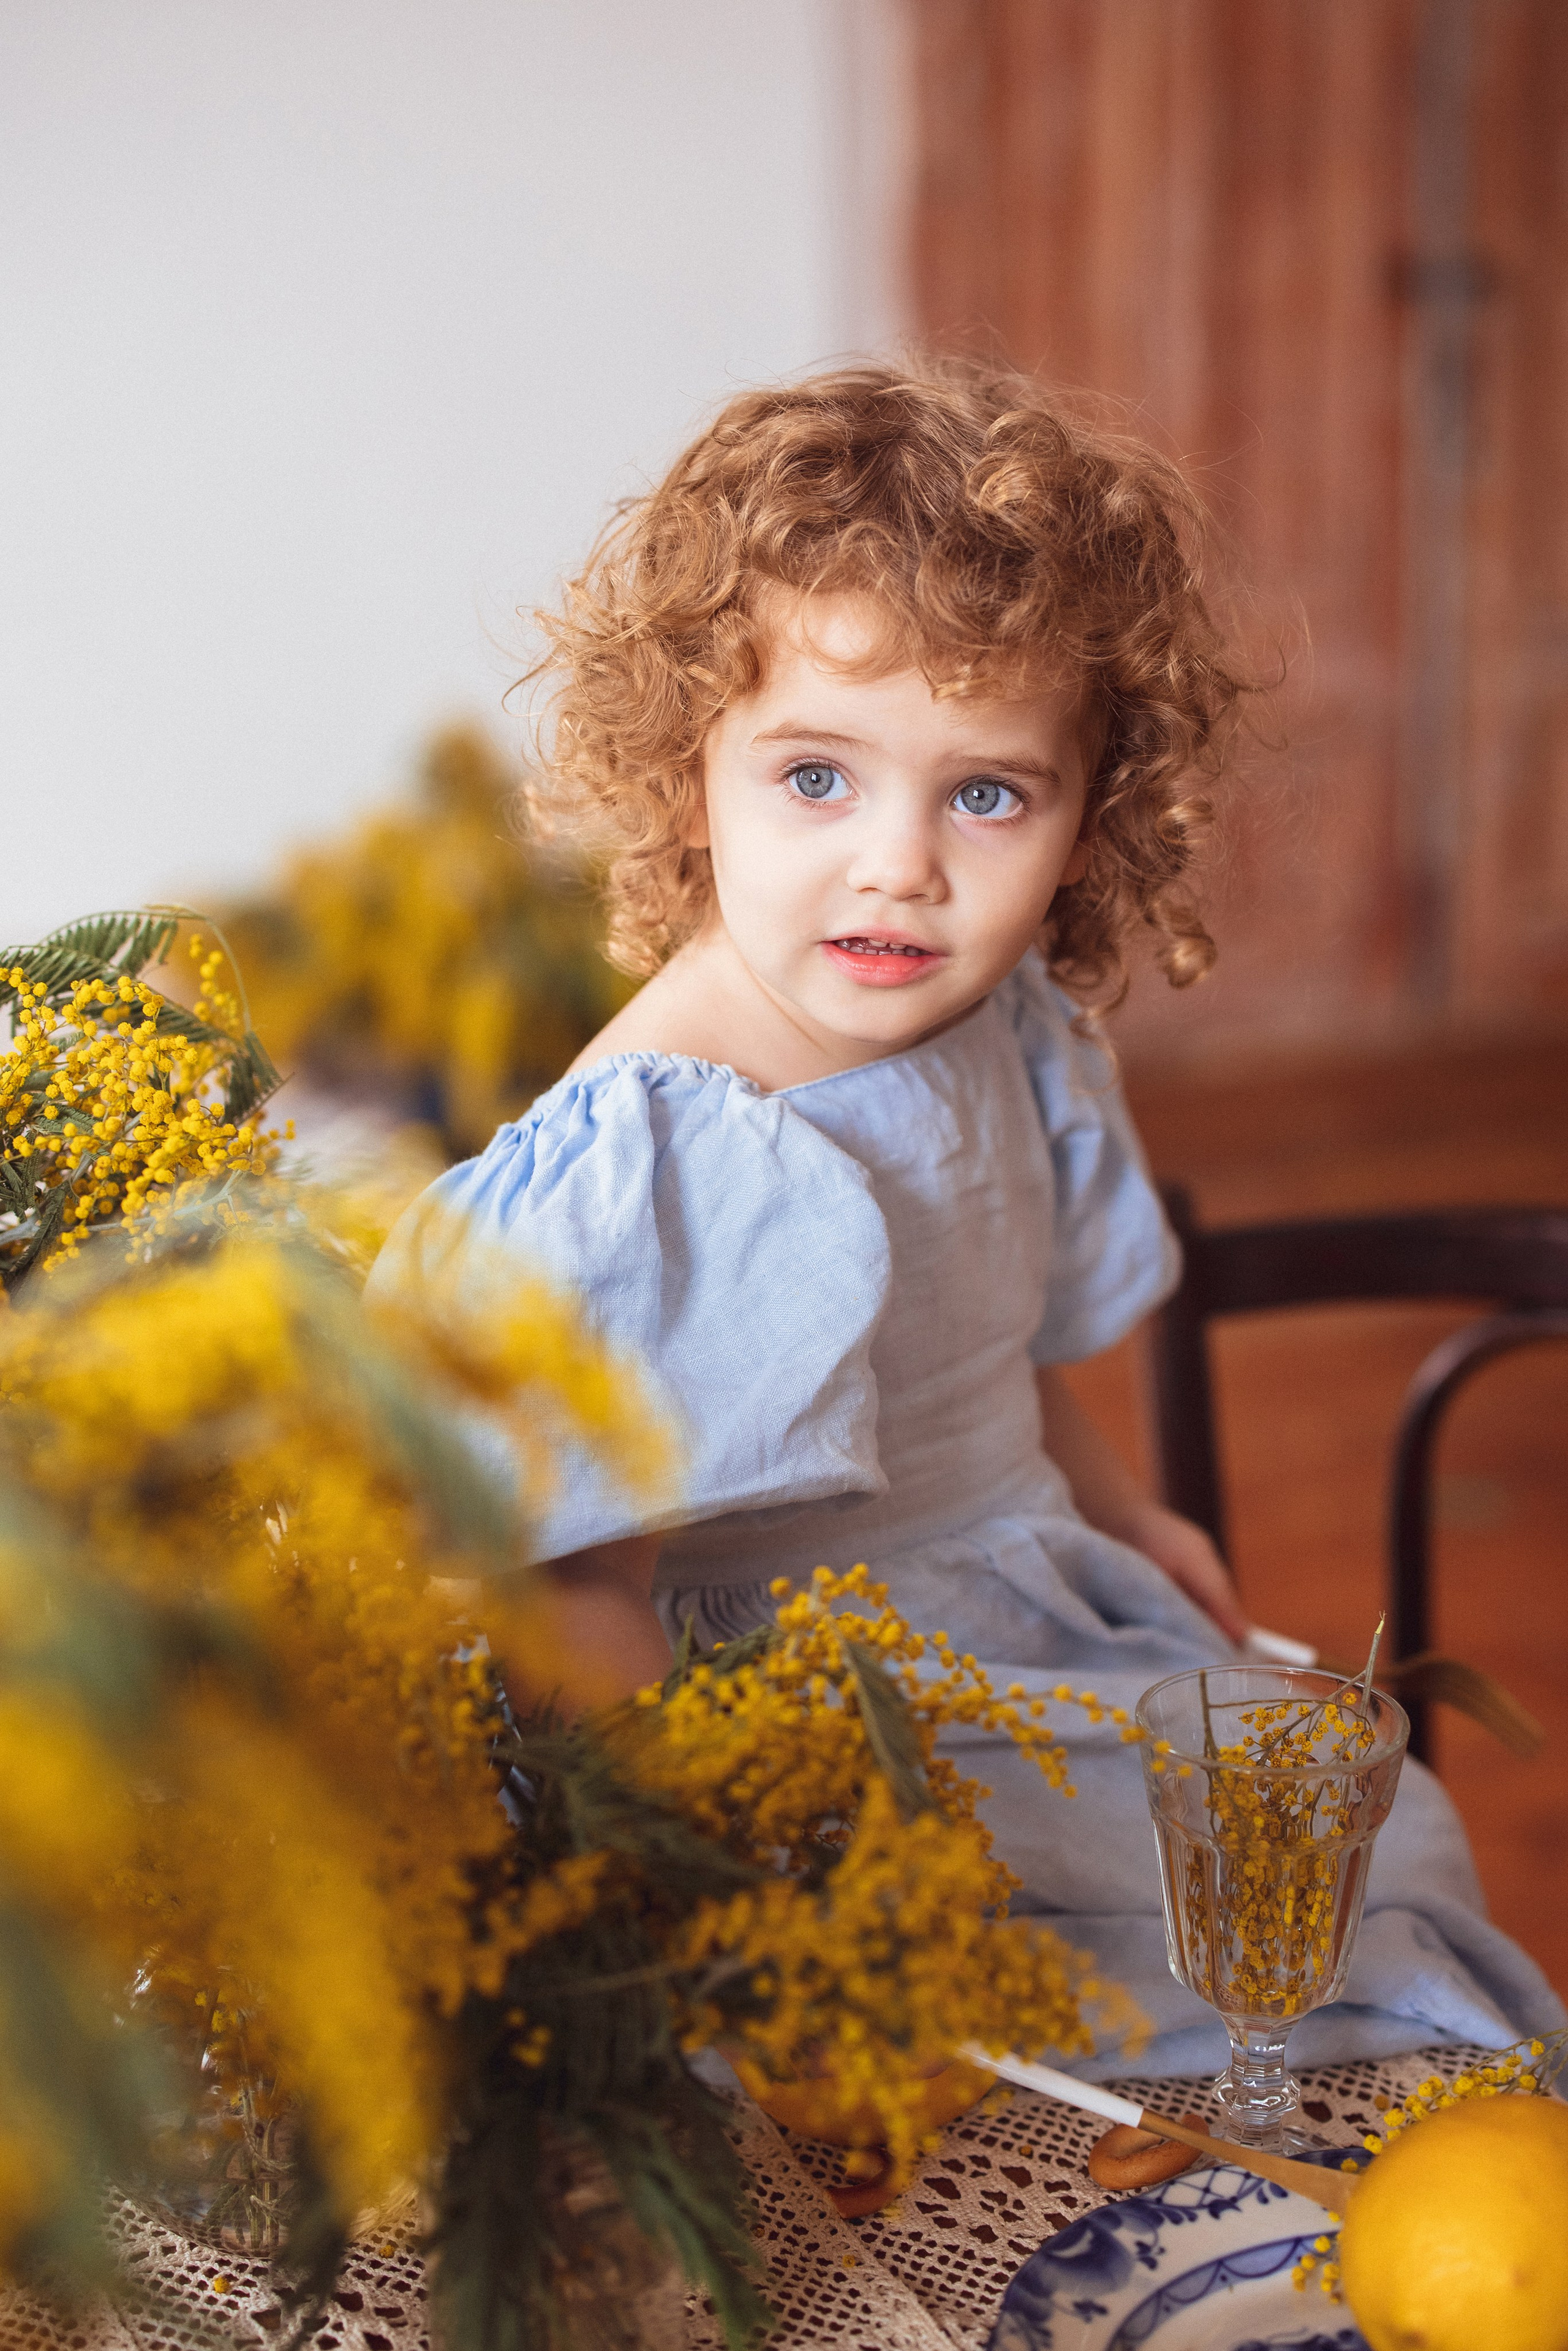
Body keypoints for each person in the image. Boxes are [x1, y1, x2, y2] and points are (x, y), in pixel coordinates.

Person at [371, 360, 1562, 2075]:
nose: (899, 865)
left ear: (1091, 821)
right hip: (811, 1723)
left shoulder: (1000, 1027)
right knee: (1199, 1945)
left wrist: (1132, 1515)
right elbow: (575, 1595)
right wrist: (727, 1883)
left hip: (1024, 1609)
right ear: (687, 765)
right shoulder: (667, 1153)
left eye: (987, 794)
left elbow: (979, 1354)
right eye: (816, 779)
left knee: (1374, 1836)